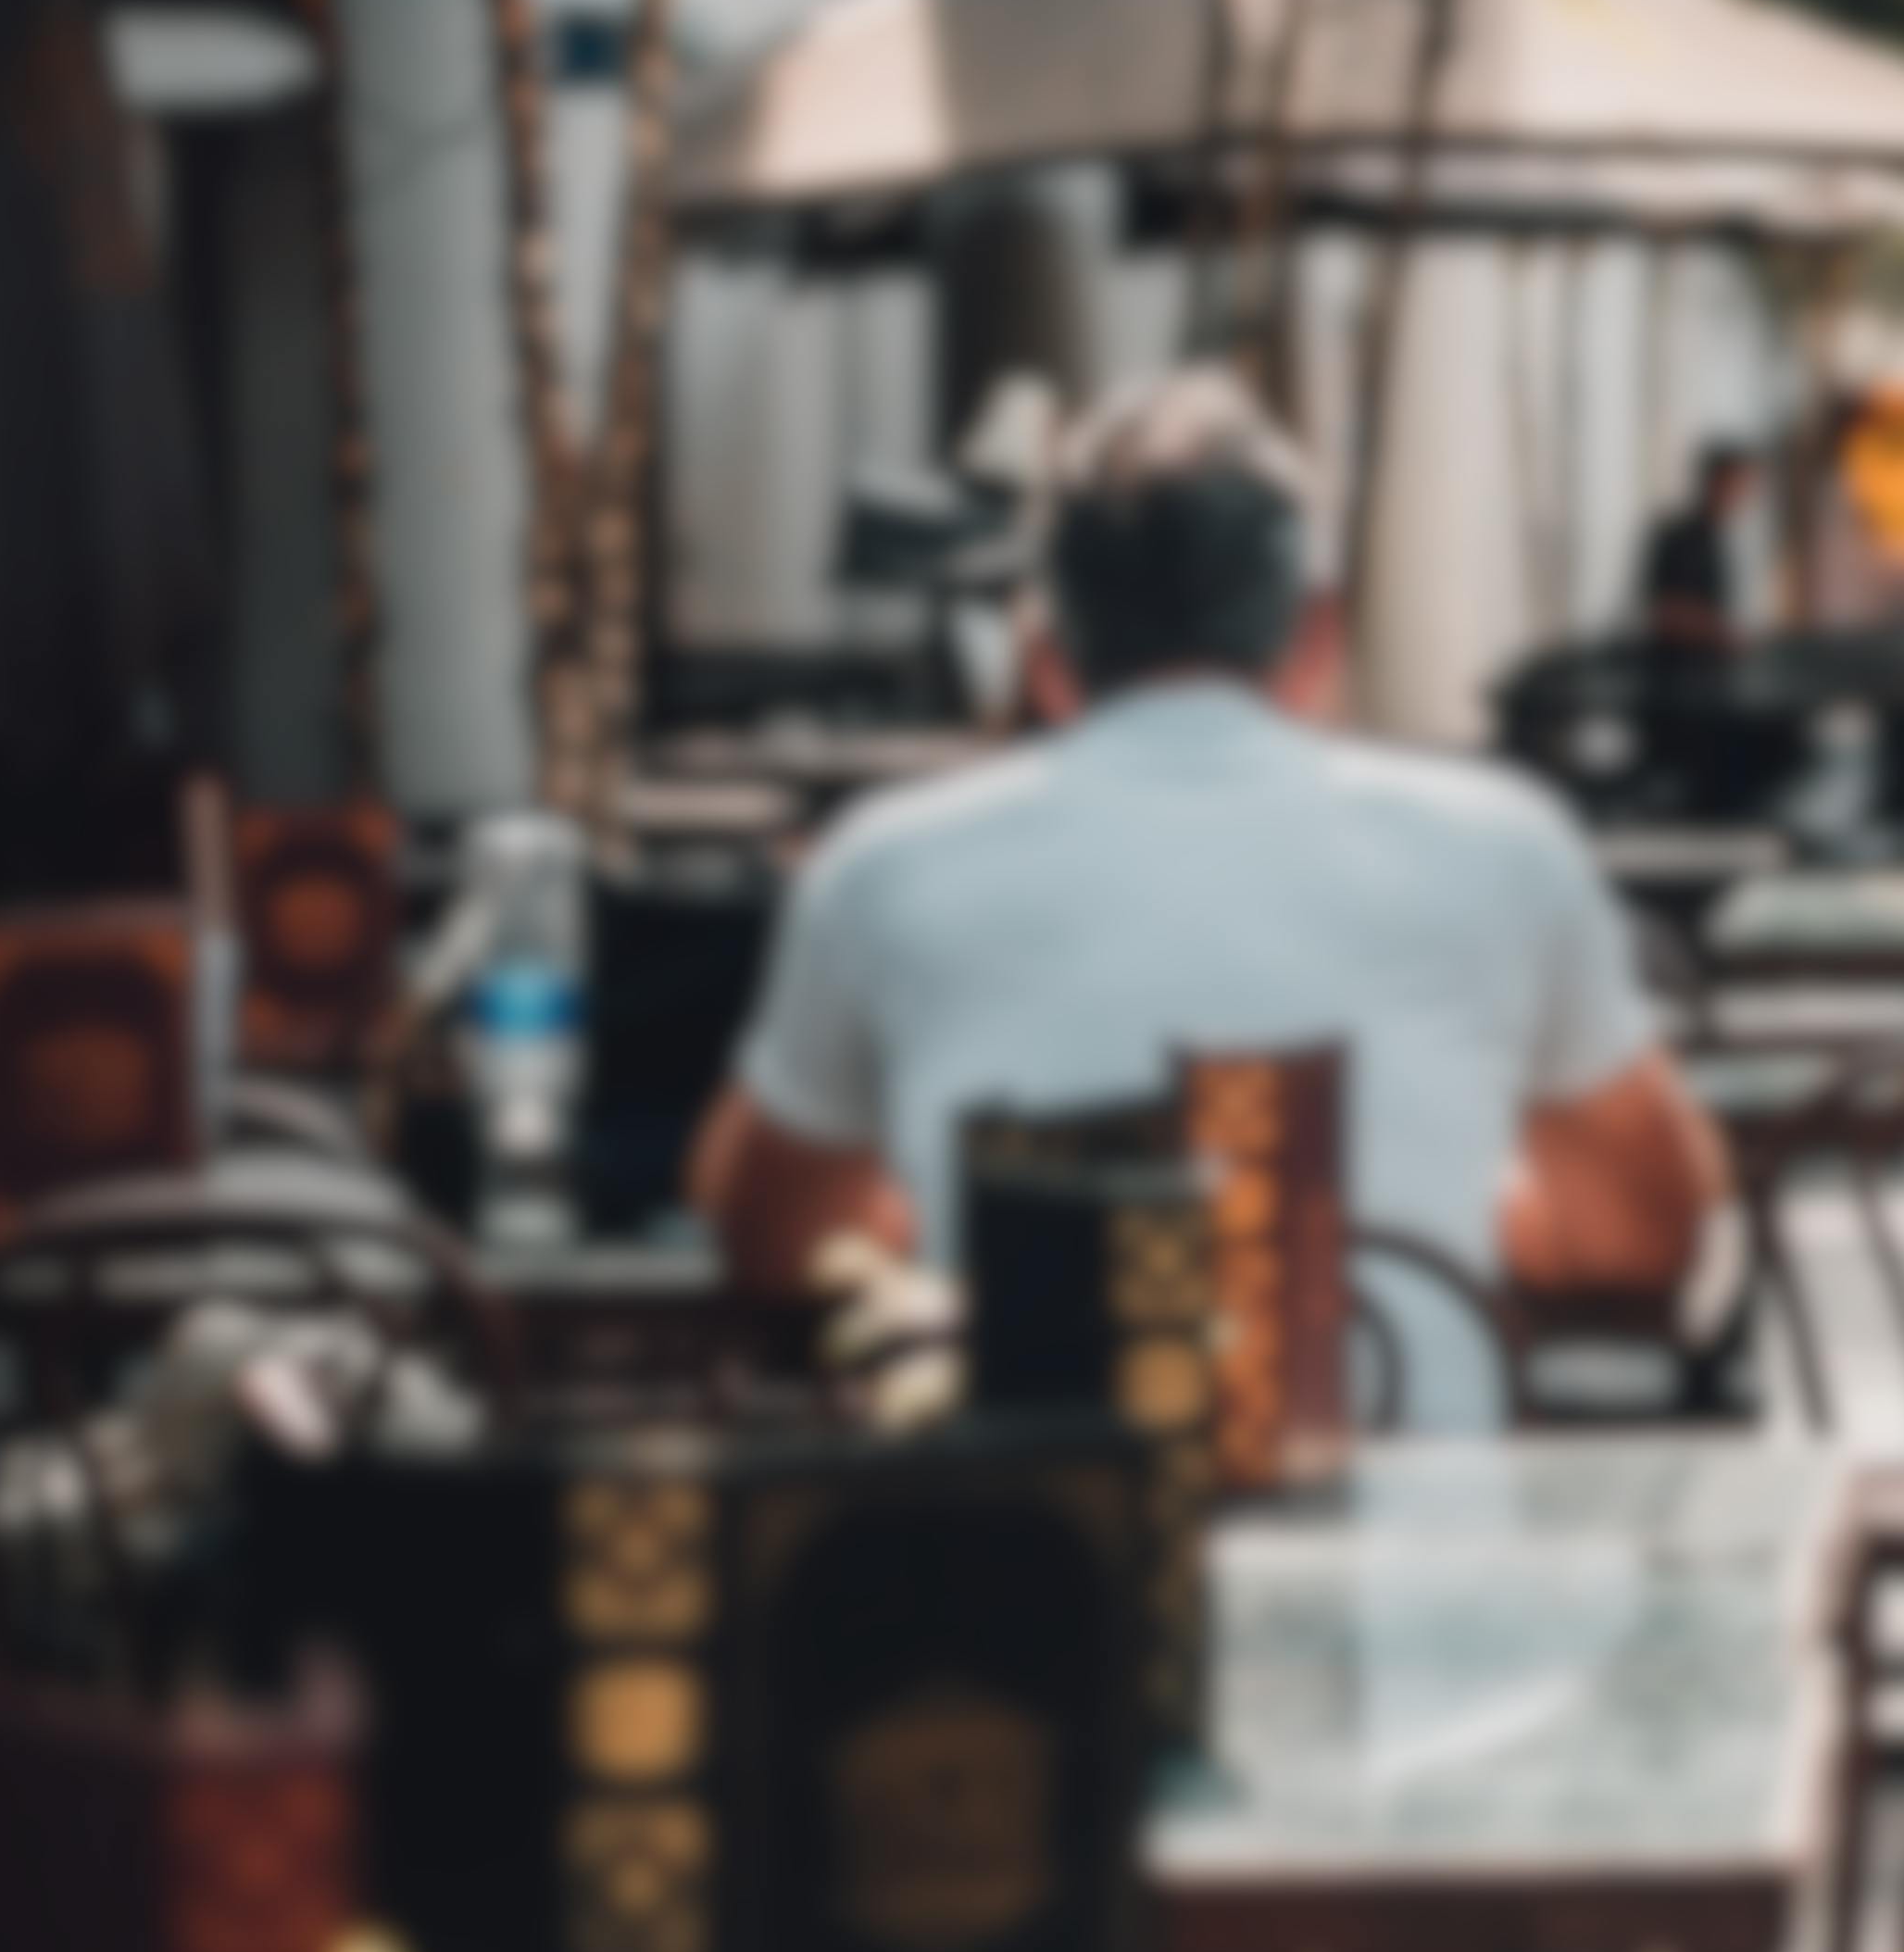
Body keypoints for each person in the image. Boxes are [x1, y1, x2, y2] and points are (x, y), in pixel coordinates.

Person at [688, 367, 1730, 1426]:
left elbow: (774, 1245)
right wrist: (1376, 1226)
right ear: (1317, 640)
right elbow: (1640, 1239)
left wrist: (1019, 1236)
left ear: (1046, 664)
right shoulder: (1504, 844)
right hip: (1417, 1553)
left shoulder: (880, 868)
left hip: (1041, 1551)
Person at [1637, 439, 1760, 651]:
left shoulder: (1721, 540)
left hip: (1710, 670)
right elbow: (1663, 611)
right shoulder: (1677, 537)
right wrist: (1720, 631)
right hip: (1678, 671)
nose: (1742, 496)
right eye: (1736, 485)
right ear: (1713, 483)